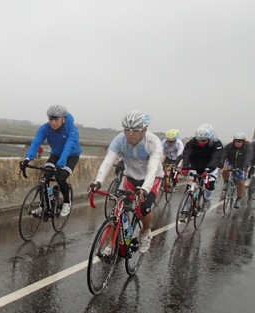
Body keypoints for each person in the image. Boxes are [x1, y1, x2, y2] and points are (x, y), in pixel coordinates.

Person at [89, 109, 163, 254]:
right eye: (126, 130)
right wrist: (98, 181)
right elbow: (108, 161)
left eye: (135, 130)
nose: (130, 134)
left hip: (151, 178)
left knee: (143, 209)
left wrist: (145, 189)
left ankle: (145, 233)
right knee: (116, 211)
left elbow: (152, 168)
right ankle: (111, 246)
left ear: (144, 129)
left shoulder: (153, 143)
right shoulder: (119, 140)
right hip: (130, 176)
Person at [20, 105, 82, 216]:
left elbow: (68, 148)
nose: (52, 122)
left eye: (56, 119)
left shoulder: (72, 130)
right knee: (45, 177)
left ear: (63, 119)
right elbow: (36, 142)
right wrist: (27, 159)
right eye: (50, 119)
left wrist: (61, 164)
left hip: (71, 156)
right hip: (56, 154)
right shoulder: (45, 128)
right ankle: (43, 205)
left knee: (61, 177)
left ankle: (67, 202)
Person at [179, 123, 224, 220]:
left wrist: (209, 169)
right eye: (198, 140)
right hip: (196, 166)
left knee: (209, 184)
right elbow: (186, 154)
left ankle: (207, 199)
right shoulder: (192, 142)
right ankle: (184, 211)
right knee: (189, 187)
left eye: (204, 140)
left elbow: (216, 158)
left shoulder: (217, 144)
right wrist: (185, 167)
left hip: (210, 166)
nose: (201, 143)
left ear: (210, 137)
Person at [221, 132, 252, 209]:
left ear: (243, 142)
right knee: (225, 170)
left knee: (241, 182)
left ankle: (239, 198)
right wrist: (221, 163)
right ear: (234, 141)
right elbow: (223, 155)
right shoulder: (229, 146)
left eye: (240, 141)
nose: (238, 143)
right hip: (231, 163)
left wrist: (244, 167)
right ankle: (226, 182)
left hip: (242, 165)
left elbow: (248, 158)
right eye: (236, 141)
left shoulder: (248, 148)